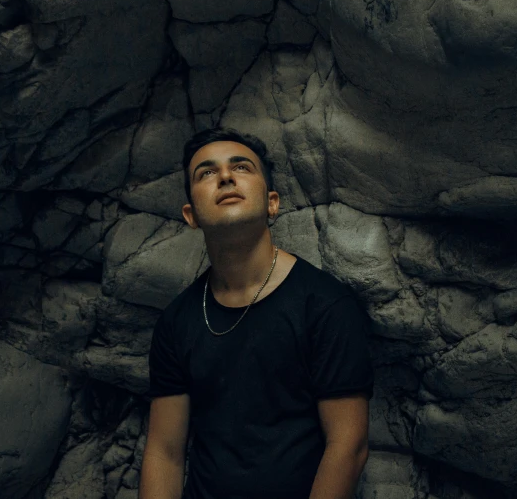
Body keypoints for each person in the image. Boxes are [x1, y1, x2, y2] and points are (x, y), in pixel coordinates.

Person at [138, 127, 374, 499]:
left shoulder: (325, 304)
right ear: (191, 214)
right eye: (207, 173)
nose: (226, 177)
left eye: (242, 167)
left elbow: (348, 446)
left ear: (272, 203)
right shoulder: (176, 322)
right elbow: (164, 453)